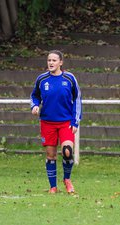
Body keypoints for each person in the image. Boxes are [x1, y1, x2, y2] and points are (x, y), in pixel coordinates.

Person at [30, 50, 82, 194]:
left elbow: (77, 99)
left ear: (61, 62)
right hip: (47, 122)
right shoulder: (42, 79)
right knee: (50, 155)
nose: (51, 63)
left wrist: (75, 121)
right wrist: (34, 105)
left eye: (54, 60)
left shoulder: (69, 78)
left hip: (66, 122)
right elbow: (35, 96)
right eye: (49, 60)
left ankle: (67, 179)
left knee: (67, 151)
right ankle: (53, 187)